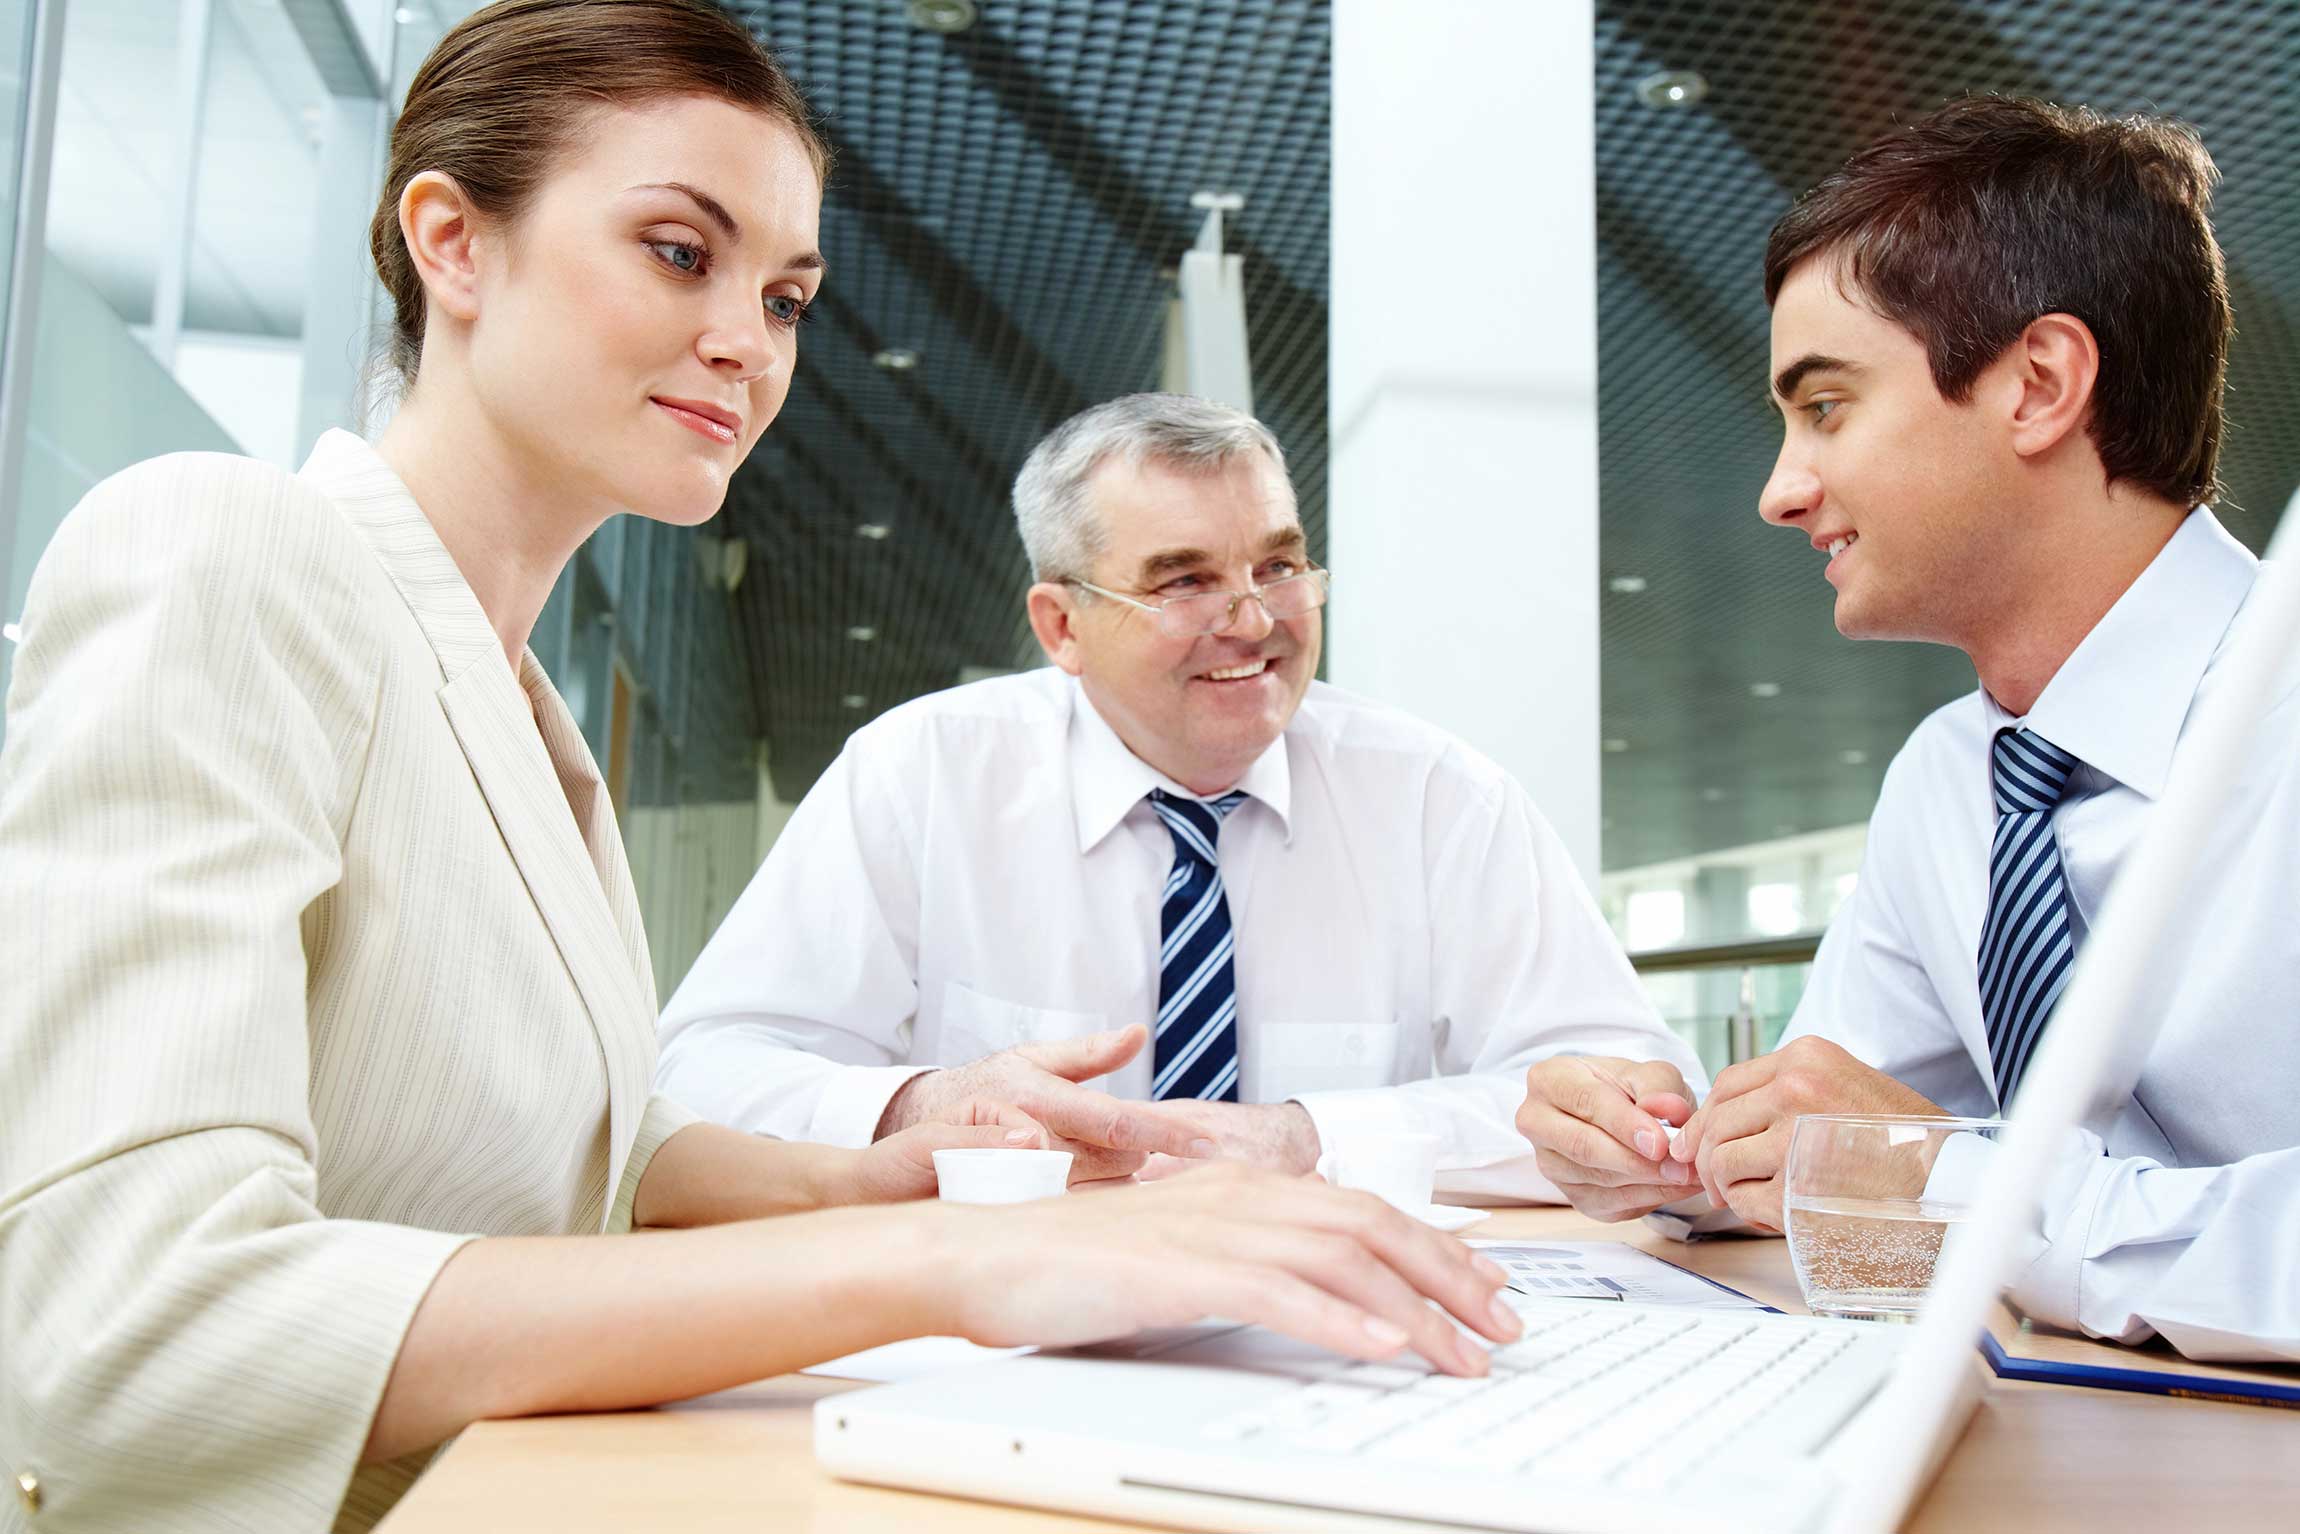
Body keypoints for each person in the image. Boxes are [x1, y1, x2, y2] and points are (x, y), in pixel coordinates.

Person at [0, 6, 1522, 1530]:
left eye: (787, 295)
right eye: (681, 251)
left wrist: (893, 1176)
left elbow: (561, 1144)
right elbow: (132, 1321)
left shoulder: (516, 702)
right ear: (453, 244)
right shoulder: (226, 546)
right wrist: (956, 1263)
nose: (749, 340)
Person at [1516, 96, 2300, 1360]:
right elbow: (1853, 1149)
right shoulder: (1952, 779)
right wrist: (1672, 1158)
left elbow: (1938, 1177)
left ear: (2038, 384)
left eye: (1823, 407)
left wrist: (1965, 1187)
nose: (1779, 491)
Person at [656, 391, 1704, 1201]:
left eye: (1279, 565)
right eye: (1183, 580)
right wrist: (921, 1102)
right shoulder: (921, 773)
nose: (1252, 621)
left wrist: (1309, 1138)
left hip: (1343, 1328)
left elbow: (1636, 1086)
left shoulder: (1437, 796)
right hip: (1001, 1323)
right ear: (1059, 625)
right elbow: (701, 1071)